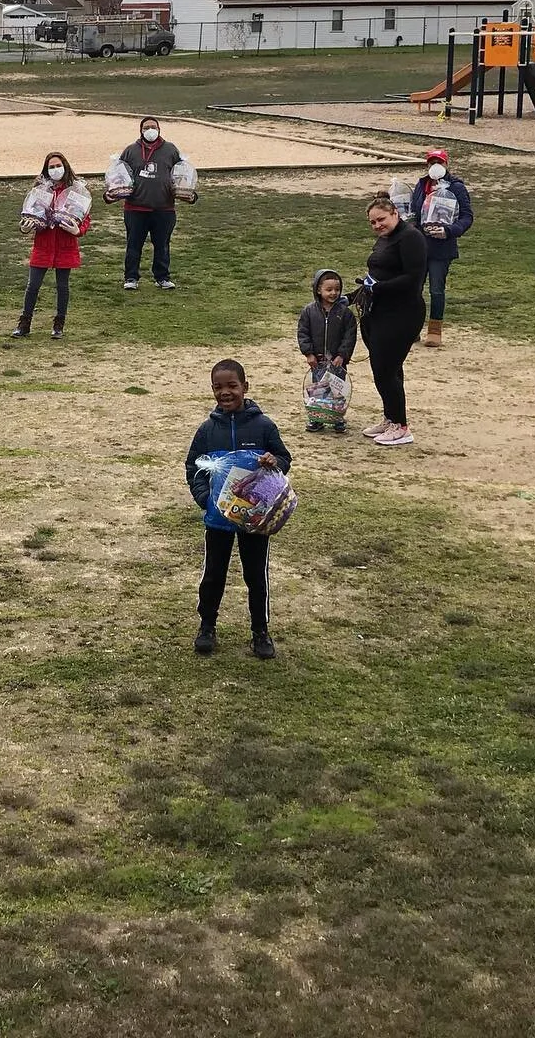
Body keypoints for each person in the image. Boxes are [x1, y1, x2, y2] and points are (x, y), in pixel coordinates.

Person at [184, 359, 293, 660]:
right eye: (218, 387)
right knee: (213, 574)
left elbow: (284, 459)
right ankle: (207, 626)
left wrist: (275, 462)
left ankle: (260, 630)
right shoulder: (207, 430)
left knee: (256, 575)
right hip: (218, 520)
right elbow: (194, 466)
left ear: (245, 386)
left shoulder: (263, 426)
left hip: (255, 520)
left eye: (232, 386)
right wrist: (205, 498)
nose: (225, 392)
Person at [356, 194, 429, 447]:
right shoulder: (385, 239)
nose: (377, 226)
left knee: (385, 370)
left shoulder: (411, 238)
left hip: (402, 314)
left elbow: (413, 280)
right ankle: (390, 417)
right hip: (379, 312)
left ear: (395, 213)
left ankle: (401, 426)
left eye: (381, 220)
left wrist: (378, 288)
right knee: (385, 369)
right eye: (373, 222)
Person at [12, 152, 92, 339]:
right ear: (46, 170)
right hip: (43, 244)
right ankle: (24, 323)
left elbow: (85, 218)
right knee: (33, 285)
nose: (55, 169)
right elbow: (29, 213)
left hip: (65, 245)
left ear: (65, 166)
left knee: (62, 286)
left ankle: (59, 325)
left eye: (58, 165)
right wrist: (25, 228)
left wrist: (77, 231)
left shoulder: (76, 191)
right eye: (51, 166)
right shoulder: (40, 190)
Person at [119, 115, 192, 291]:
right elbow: (120, 175)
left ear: (159, 129)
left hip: (164, 208)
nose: (150, 130)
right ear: (141, 131)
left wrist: (189, 193)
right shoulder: (130, 151)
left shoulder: (170, 150)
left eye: (153, 127)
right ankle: (131, 277)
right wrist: (113, 193)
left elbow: (181, 174)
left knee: (162, 245)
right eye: (146, 127)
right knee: (134, 244)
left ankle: (162, 277)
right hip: (135, 208)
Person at [410, 149, 473, 348]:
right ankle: (412, 328)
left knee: (436, 290)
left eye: (439, 162)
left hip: (441, 248)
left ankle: (435, 330)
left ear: (446, 165)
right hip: (419, 246)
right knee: (414, 289)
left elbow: (466, 216)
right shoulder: (421, 185)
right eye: (431, 162)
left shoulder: (456, 188)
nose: (434, 165)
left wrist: (449, 231)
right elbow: (414, 211)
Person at [296, 269, 357, 434]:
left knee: (338, 390)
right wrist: (308, 353)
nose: (333, 293)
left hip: (337, 362)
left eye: (337, 289)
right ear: (318, 290)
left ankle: (337, 418)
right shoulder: (309, 311)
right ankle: (317, 418)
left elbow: (350, 335)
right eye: (329, 290)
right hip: (318, 361)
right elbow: (303, 332)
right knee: (318, 390)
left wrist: (342, 355)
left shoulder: (345, 313)